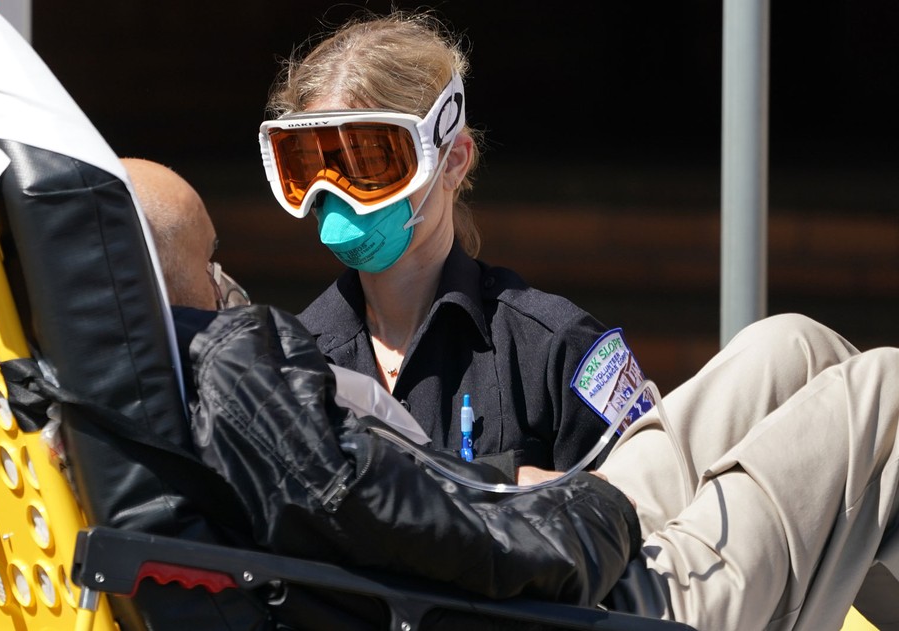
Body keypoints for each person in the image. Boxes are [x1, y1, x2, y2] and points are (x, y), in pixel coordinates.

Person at [130, 152, 898, 630]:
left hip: (543, 558)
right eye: (211, 258)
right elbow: (400, 520)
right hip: (564, 595)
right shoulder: (244, 388)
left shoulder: (163, 403)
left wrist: (508, 486)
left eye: (370, 161)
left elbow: (389, 509)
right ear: (173, 289)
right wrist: (573, 507)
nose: (230, 283)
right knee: (885, 386)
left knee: (793, 344)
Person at [259, 13, 631, 480]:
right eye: (310, 163)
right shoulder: (292, 363)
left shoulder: (558, 349)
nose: (338, 191)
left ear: (452, 162)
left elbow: (645, 514)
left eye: (370, 160)